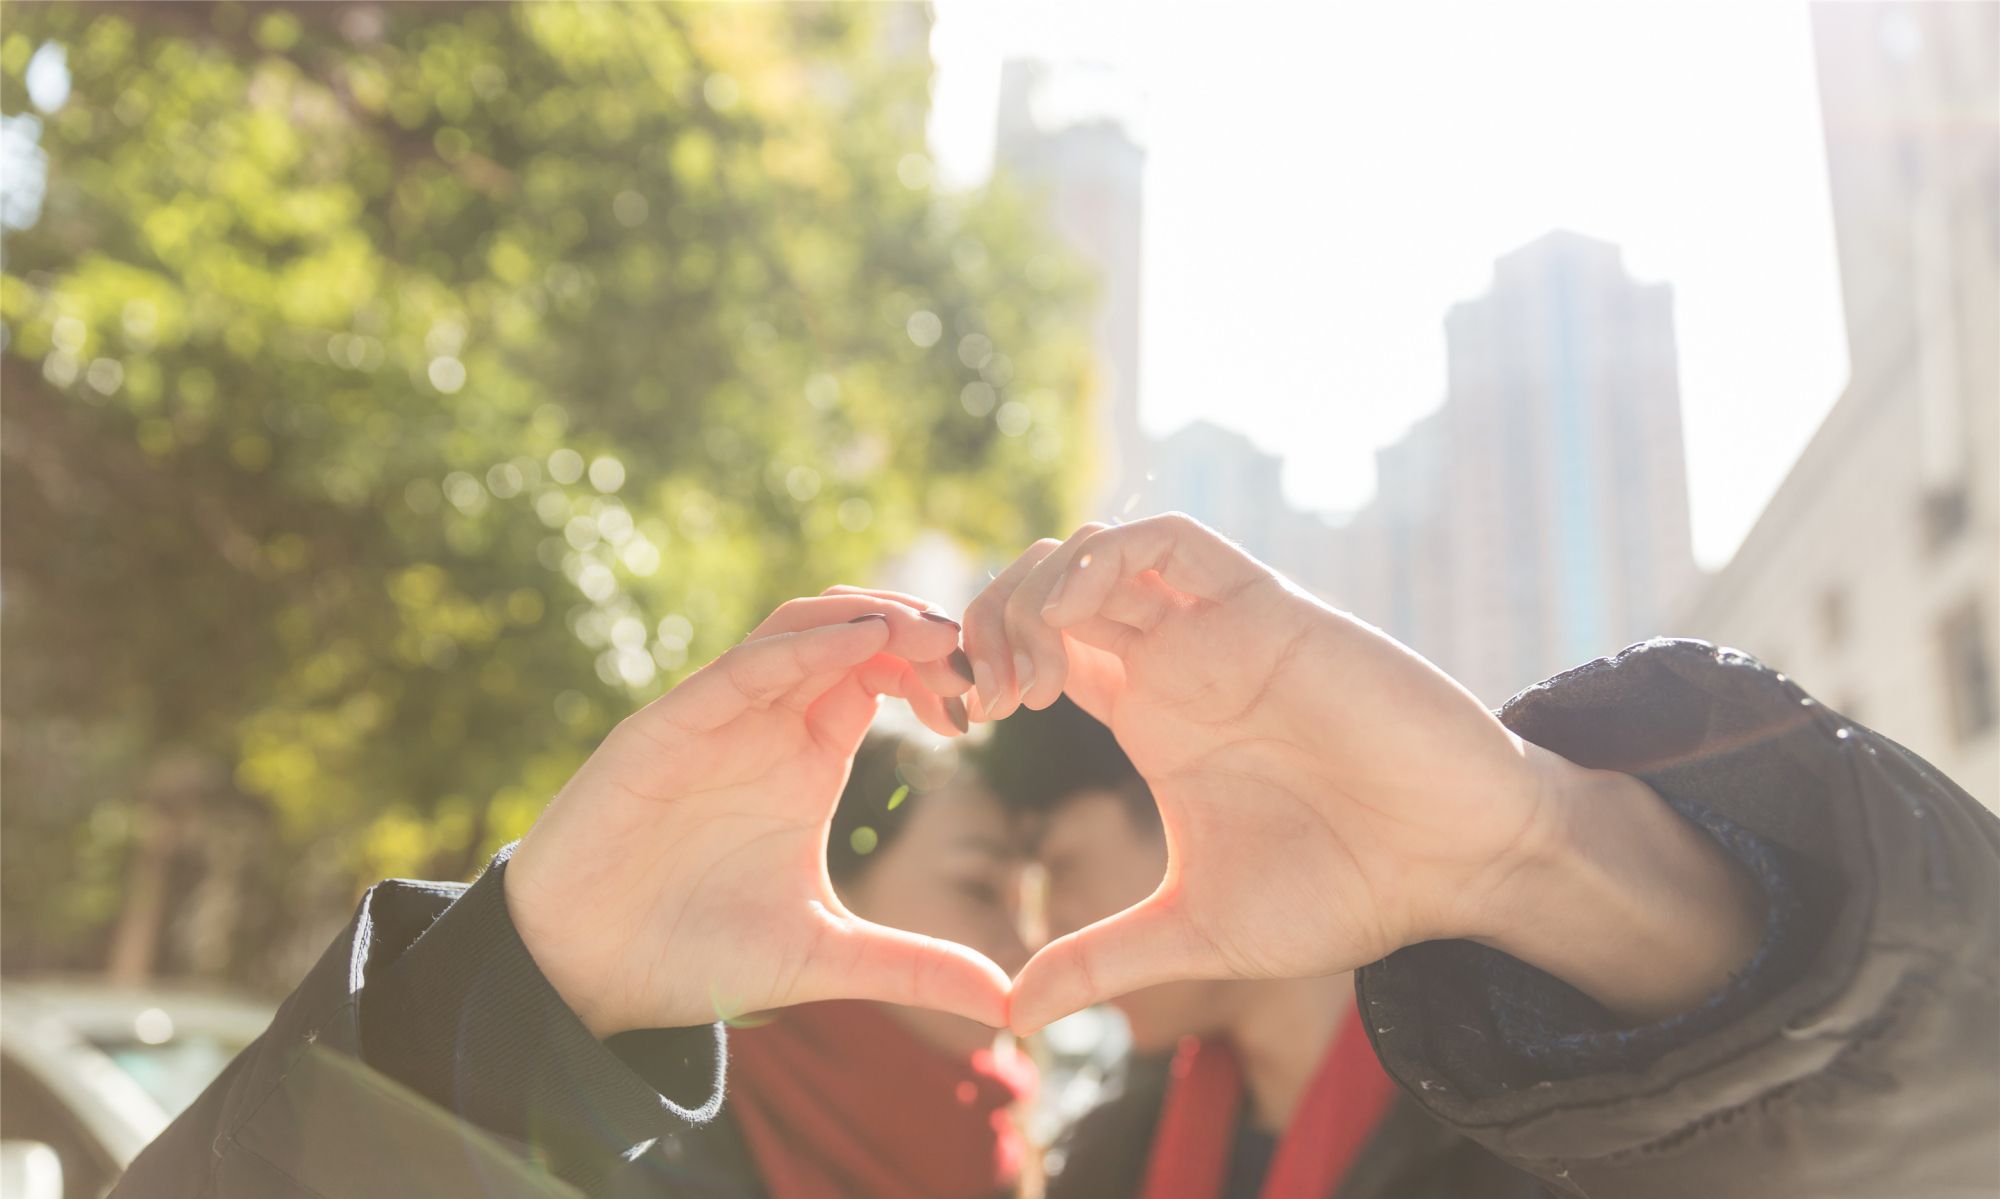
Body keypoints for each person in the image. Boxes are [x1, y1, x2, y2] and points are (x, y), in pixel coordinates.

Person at [112, 518, 1998, 1198]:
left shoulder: (1547, 1123)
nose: (1033, 935)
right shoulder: (1106, 1166)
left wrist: (1546, 853)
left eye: (1050, 859)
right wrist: (525, 982)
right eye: (990, 879)